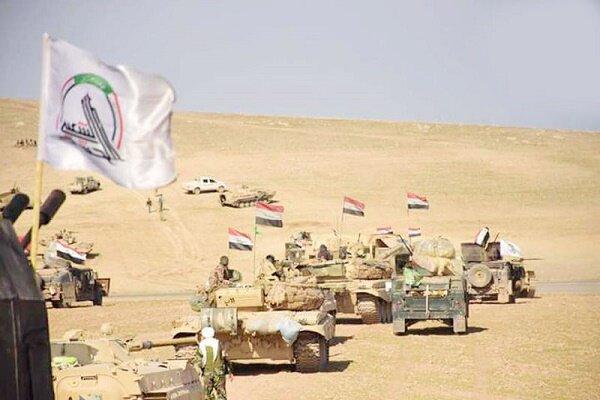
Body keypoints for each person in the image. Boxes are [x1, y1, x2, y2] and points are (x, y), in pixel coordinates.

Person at [197, 327, 230, 400]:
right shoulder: (218, 343)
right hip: (219, 372)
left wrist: (199, 371)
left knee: (208, 394)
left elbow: (198, 360)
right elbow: (224, 356)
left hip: (207, 372)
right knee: (221, 393)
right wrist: (228, 370)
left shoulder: (201, 345)